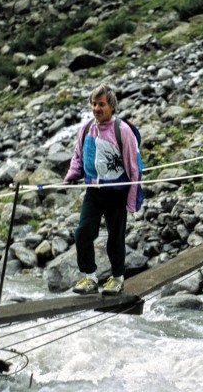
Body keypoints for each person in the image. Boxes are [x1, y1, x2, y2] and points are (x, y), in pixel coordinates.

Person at [63, 84, 142, 295]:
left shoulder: (122, 131)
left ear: (112, 107)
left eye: (102, 104)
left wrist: (132, 200)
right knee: (82, 233)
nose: (97, 108)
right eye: (94, 104)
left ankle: (117, 278)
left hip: (117, 192)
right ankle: (89, 277)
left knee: (115, 238)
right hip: (94, 191)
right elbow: (78, 157)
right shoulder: (87, 128)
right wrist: (71, 175)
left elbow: (134, 168)